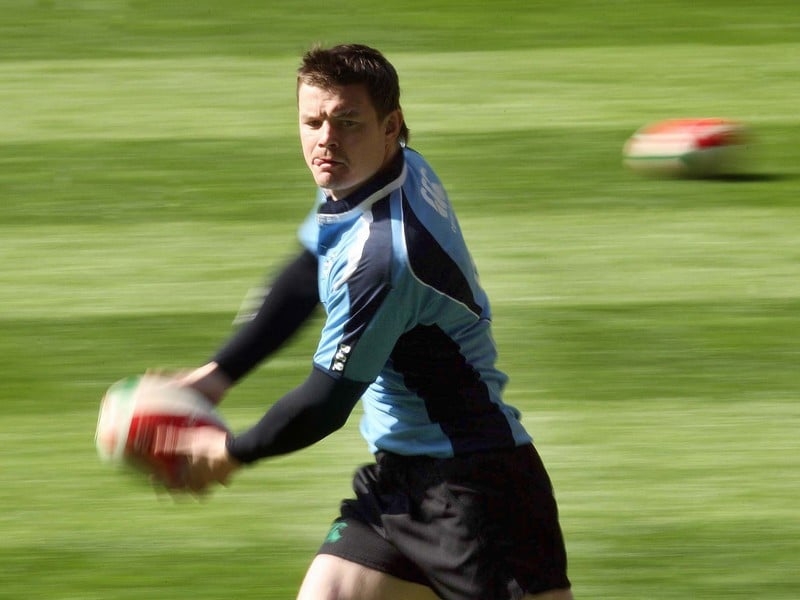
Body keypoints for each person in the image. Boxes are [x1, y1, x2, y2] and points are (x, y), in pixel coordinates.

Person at [165, 43, 573, 600]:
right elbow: (308, 268)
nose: (326, 139)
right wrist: (219, 373)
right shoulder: (383, 173)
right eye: (312, 122)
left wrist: (231, 453)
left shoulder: (384, 258)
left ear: (390, 126)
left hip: (479, 494)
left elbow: (326, 401)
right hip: (400, 479)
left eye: (347, 122)